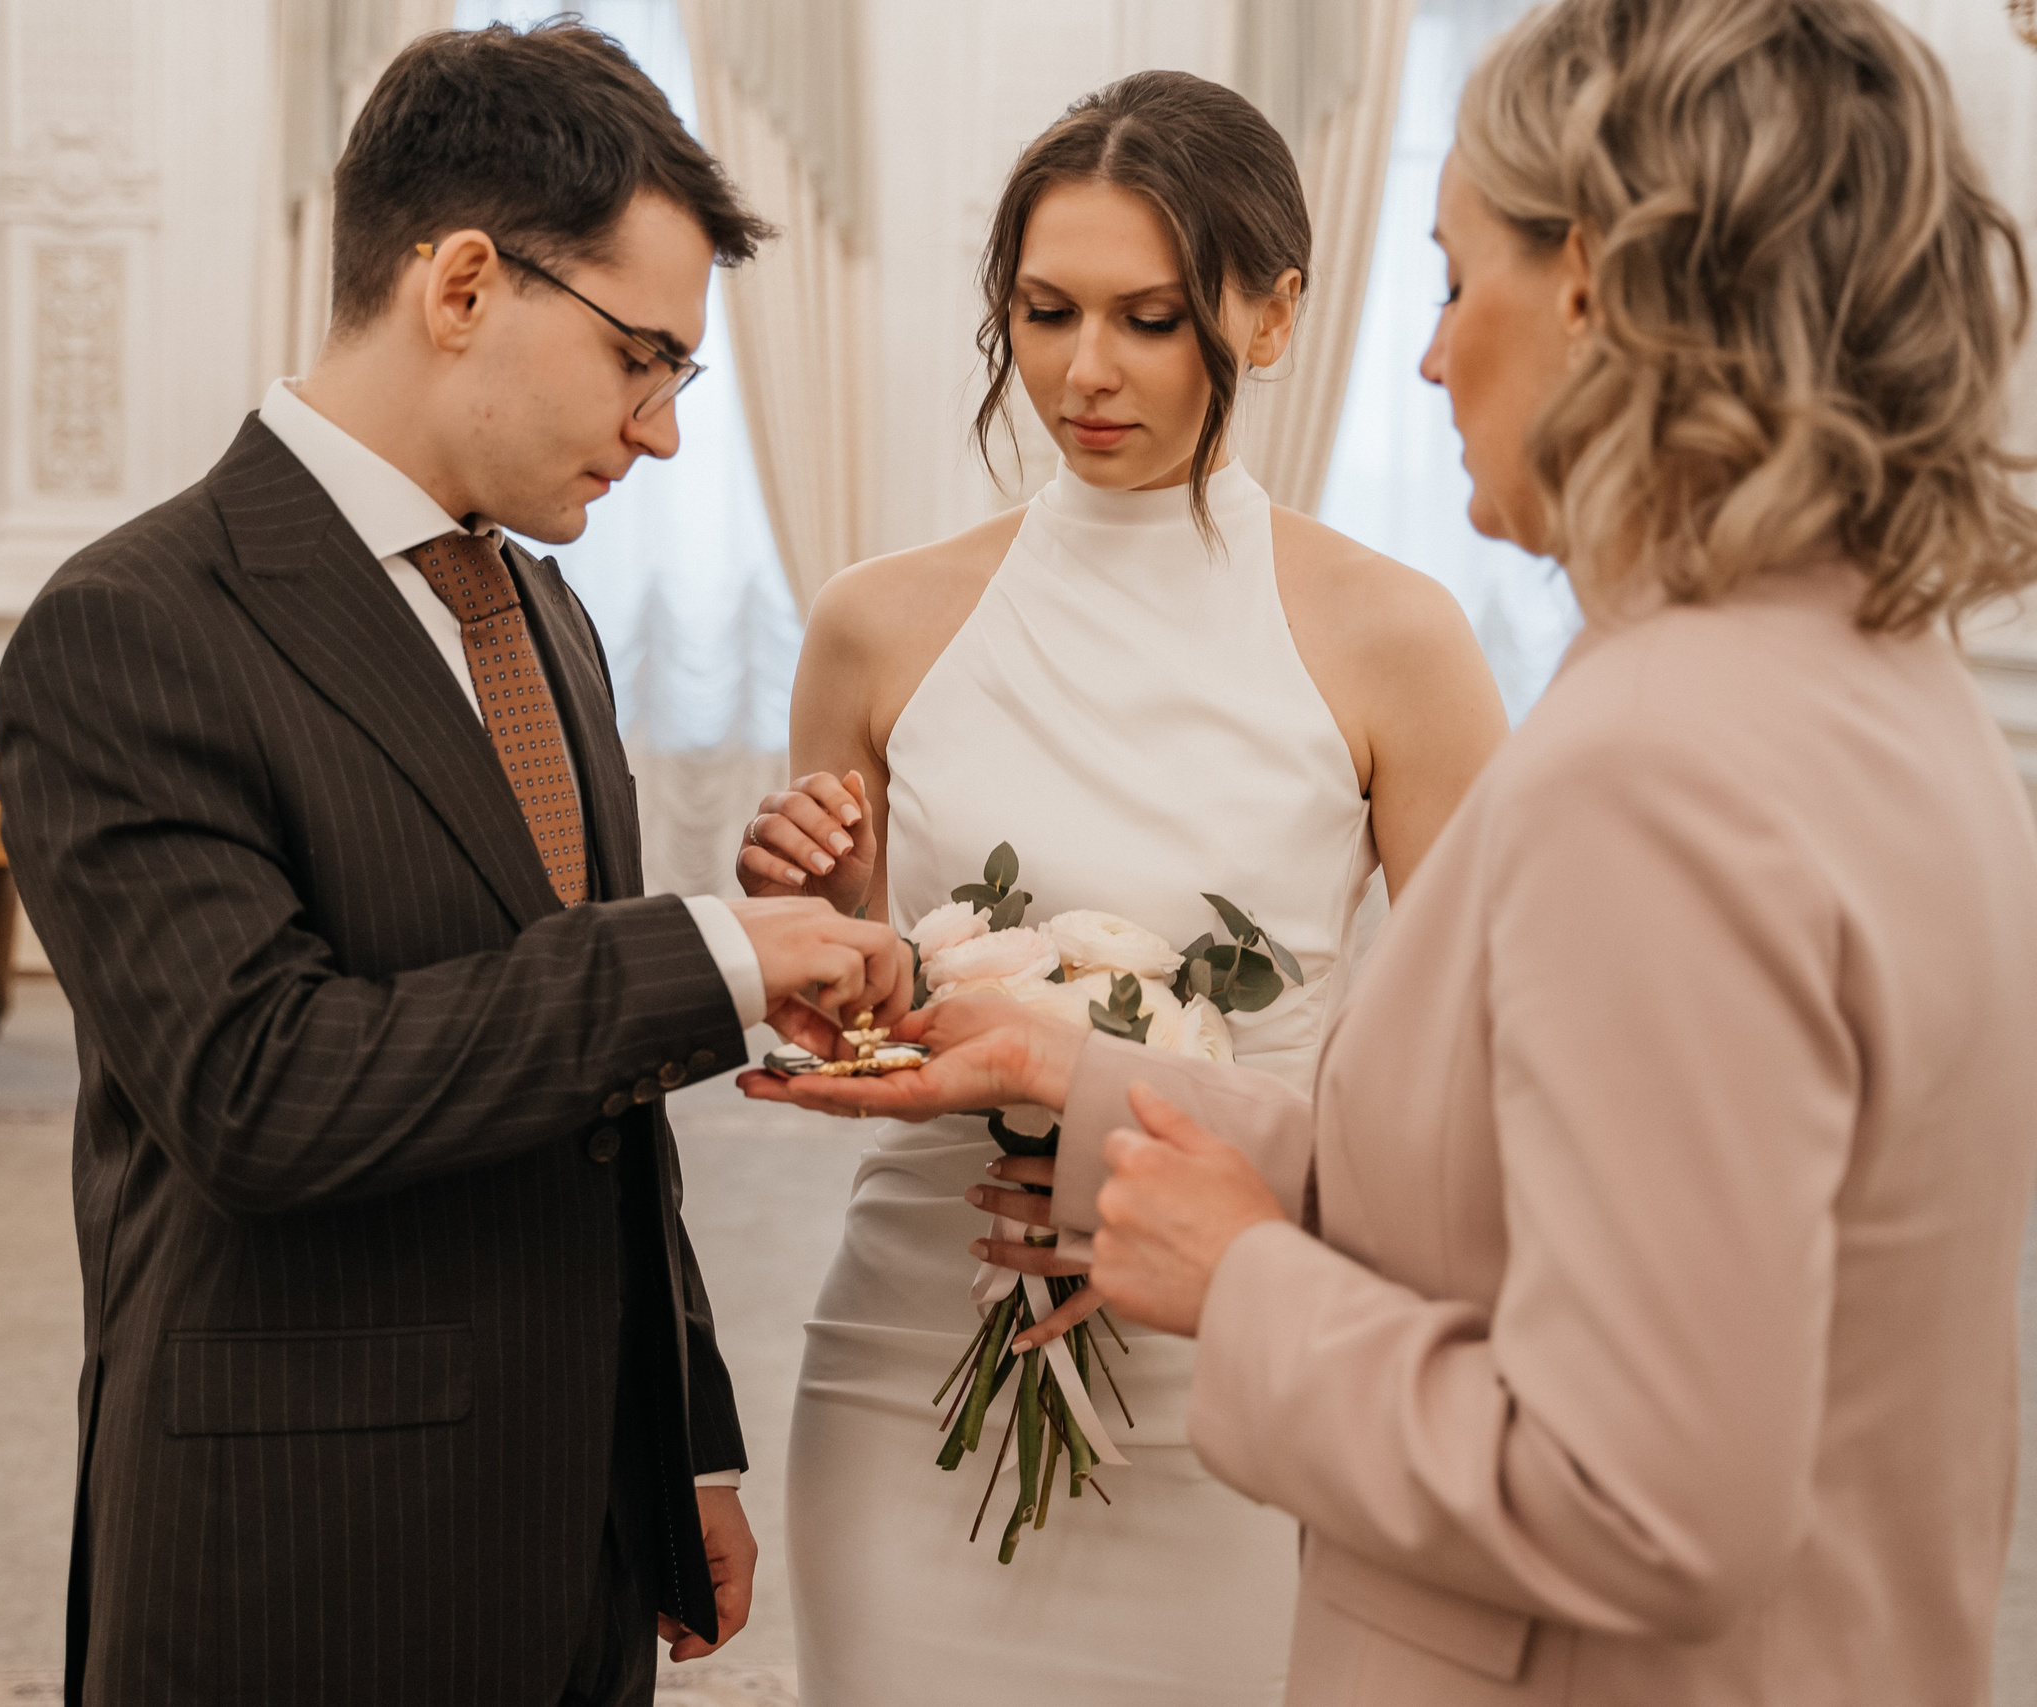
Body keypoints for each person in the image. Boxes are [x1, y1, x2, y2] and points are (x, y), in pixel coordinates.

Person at [750, 0, 2037, 1701]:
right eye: (1048, 312)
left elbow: (1649, 1484)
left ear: (1595, 286)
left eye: (1446, 275)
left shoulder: (1663, 765)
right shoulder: (1897, 689)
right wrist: (1094, 1089)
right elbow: (1531, 1193)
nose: (1427, 355)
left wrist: (1242, 1285)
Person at [0, 22, 907, 1707]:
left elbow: (594, 1102)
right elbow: (262, 1093)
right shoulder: (131, 627)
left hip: (578, 1534)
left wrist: (680, 1440)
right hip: (305, 1545)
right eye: (645, 356)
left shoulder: (541, 608)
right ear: (467, 283)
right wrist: (706, 954)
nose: (661, 432)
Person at [734, 71, 1509, 1703]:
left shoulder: (1394, 637)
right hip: (912, 1343)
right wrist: (816, 918)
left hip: (1236, 1356)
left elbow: (1479, 1068)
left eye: (1151, 318)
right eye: (1046, 310)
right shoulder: (877, 626)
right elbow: (851, 1019)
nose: (1086, 372)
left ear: (1272, 311)